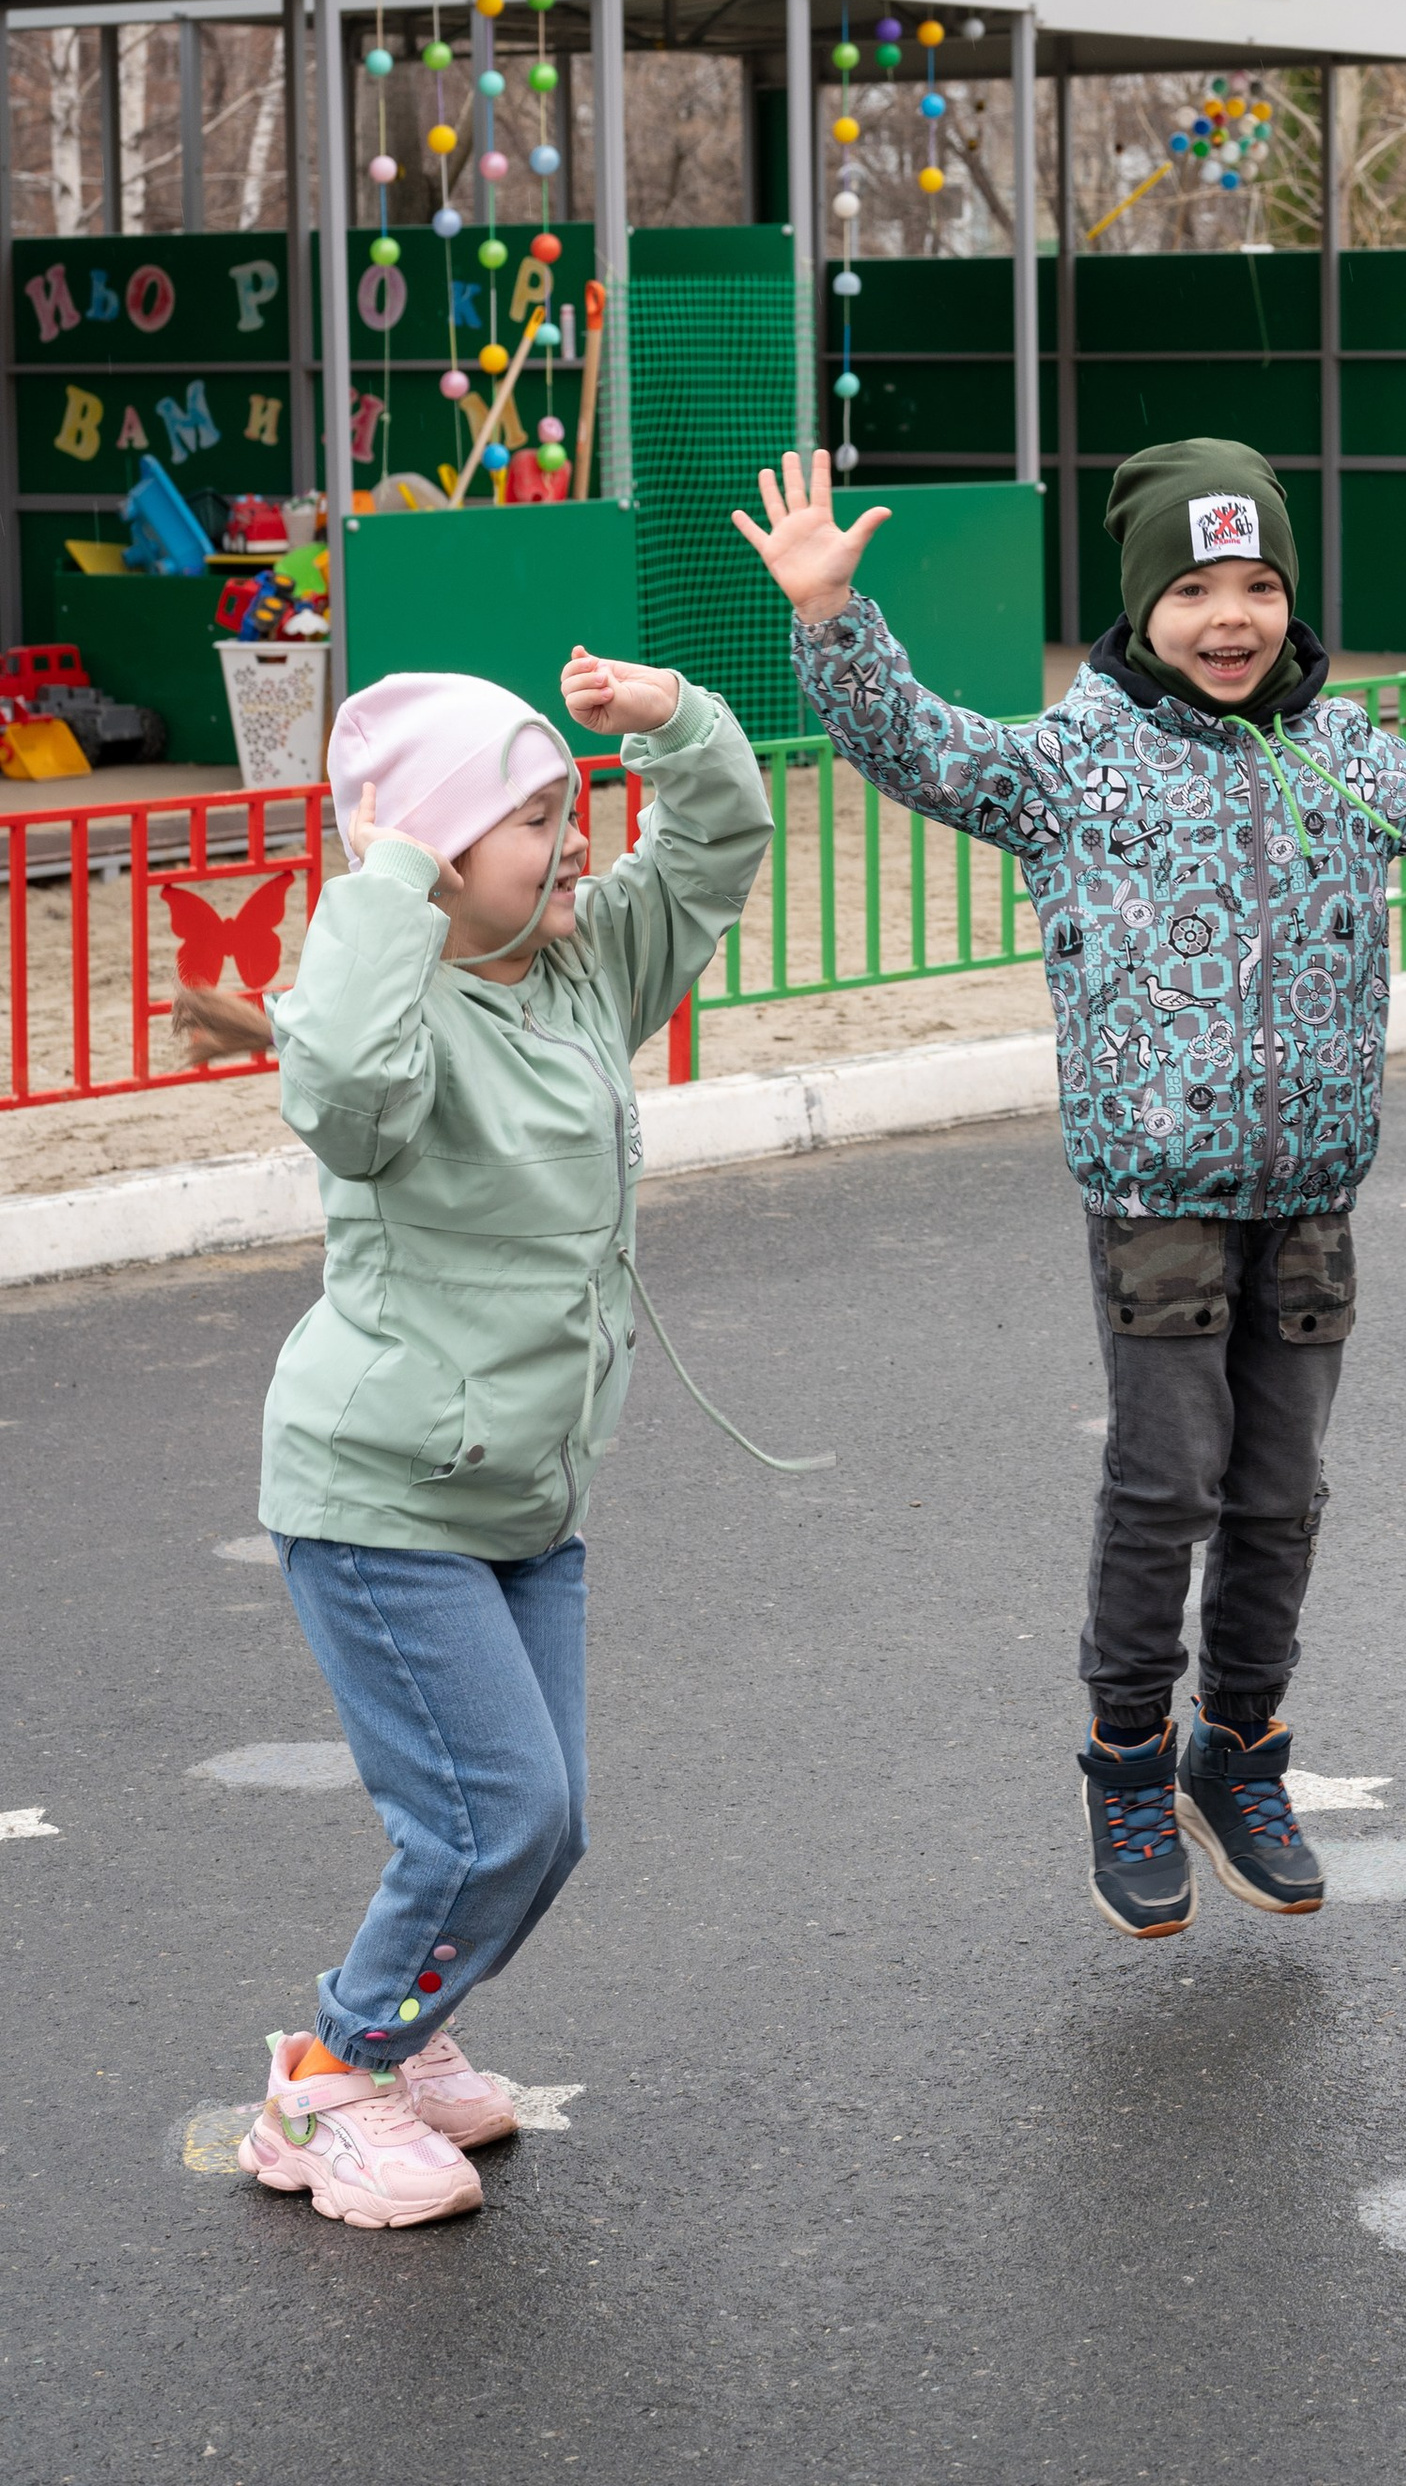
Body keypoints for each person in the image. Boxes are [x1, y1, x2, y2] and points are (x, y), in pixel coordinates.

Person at [736, 434, 1406, 1941]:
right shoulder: (1073, 761)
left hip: (1311, 1193)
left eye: (1257, 586)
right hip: (1155, 1194)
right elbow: (917, 745)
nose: (1229, 617)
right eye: (1192, 590)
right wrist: (832, 617)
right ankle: (1124, 1761)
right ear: (1141, 605)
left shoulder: (1347, 752)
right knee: (1167, 1485)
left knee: (1281, 1497)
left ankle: (1237, 1752)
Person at [237, 648, 772, 2229]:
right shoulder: (387, 1019)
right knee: (496, 1818)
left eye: (565, 803)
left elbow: (717, 847)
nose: (572, 836)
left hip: (524, 1500)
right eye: (531, 818)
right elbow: (340, 1095)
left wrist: (676, 724)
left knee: (547, 1827)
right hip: (380, 1495)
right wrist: (387, 875)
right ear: (438, 858)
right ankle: (327, 2082)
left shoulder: (584, 965)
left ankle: (402, 2034)